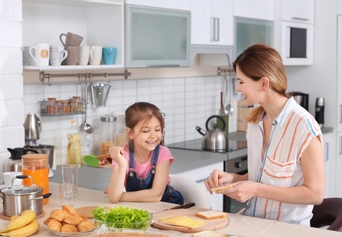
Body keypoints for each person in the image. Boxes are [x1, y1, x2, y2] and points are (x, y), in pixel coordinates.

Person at [204, 44, 324, 226]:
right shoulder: (254, 123)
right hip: (253, 224)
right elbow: (261, 178)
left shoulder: (304, 128)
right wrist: (231, 179)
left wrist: (257, 190)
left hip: (288, 232)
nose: (237, 88)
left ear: (263, 83)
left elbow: (315, 194)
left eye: (241, 81)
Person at [105, 102, 184, 204]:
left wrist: (121, 195)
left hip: (168, 206)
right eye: (146, 131)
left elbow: (156, 196)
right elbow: (113, 198)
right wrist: (122, 165)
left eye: (157, 129)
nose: (153, 136)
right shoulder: (123, 156)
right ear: (130, 133)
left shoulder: (163, 153)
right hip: (141, 209)